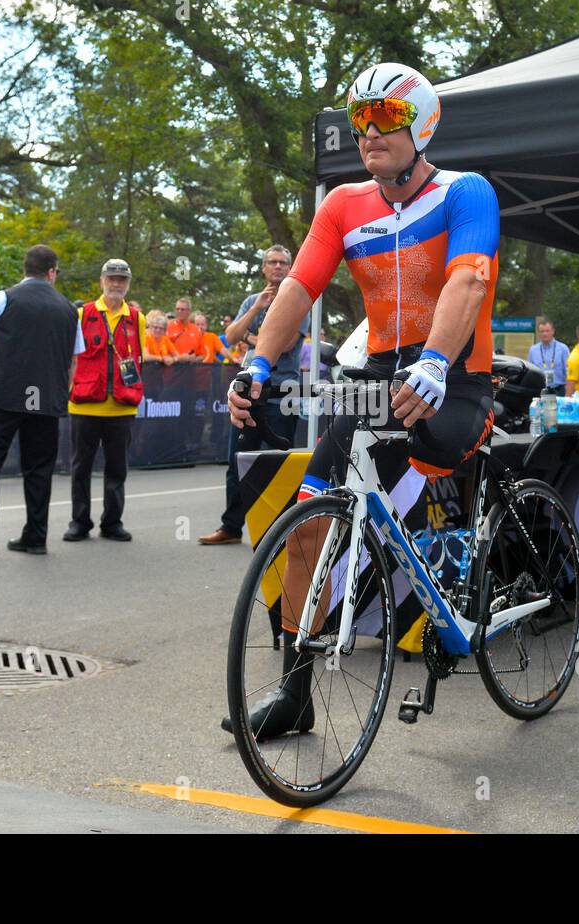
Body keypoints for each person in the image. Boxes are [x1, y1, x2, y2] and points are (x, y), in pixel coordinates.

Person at [219, 61, 499, 737]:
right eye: (361, 121)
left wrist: (435, 361)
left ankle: (455, 579)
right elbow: (297, 290)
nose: (370, 132)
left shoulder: (467, 192)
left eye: (387, 119)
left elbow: (467, 282)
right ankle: (294, 693)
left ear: (423, 124)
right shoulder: (343, 204)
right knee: (310, 520)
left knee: (428, 452)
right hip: (377, 380)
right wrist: (257, 364)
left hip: (453, 379)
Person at [0, 244, 82, 559]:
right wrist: (58, 394)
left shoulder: (2, 298)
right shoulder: (68, 309)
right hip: (46, 401)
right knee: (39, 469)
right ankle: (35, 536)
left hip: (2, 396)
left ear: (26, 269)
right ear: (52, 272)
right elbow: (72, 363)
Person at [199, 245, 309, 546]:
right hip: (249, 393)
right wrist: (256, 308)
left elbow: (283, 345)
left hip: (280, 393)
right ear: (263, 268)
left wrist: (252, 339)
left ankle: (282, 531)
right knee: (237, 462)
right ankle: (231, 527)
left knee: (279, 463)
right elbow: (231, 336)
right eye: (271, 262)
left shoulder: (300, 301)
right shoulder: (252, 300)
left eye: (283, 263)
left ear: (290, 268)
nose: (277, 267)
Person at [64, 257, 145, 542]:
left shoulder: (137, 318)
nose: (116, 283)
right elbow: (70, 357)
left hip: (122, 407)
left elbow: (139, 360)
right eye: (111, 278)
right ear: (101, 281)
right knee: (80, 468)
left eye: (121, 279)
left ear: (128, 284)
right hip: (84, 404)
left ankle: (112, 522)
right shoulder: (82, 314)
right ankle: (79, 522)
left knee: (117, 469)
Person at [527, 319, 569, 394]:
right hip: (539, 390)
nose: (545, 334)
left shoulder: (563, 349)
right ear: (539, 333)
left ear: (553, 331)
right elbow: (530, 372)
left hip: (558, 390)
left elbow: (568, 371)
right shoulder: (533, 350)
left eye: (547, 331)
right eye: (542, 331)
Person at [166, 296, 206, 362]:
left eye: (182, 309)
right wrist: (179, 358)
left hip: (190, 369)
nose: (179, 311)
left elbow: (202, 354)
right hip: (171, 368)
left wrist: (194, 359)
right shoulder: (168, 327)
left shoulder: (196, 330)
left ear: (189, 311)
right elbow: (161, 350)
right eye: (177, 309)